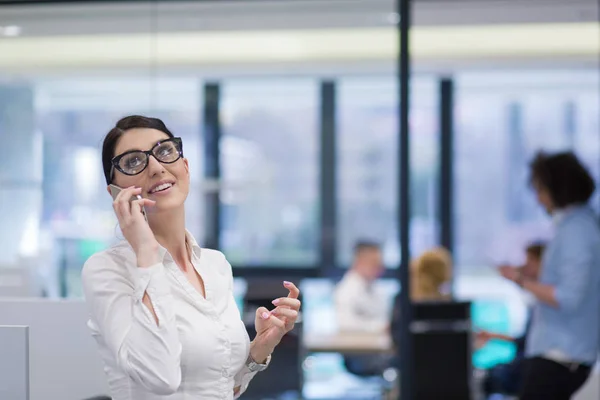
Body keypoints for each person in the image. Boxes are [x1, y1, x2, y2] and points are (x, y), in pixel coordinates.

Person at [81, 116, 301, 400]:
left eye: (164, 151)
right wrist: (146, 252)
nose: (157, 167)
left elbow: (220, 388)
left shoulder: (215, 265)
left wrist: (260, 348)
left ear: (184, 167)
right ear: (115, 193)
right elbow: (161, 378)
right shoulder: (107, 270)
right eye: (134, 162)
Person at [501, 151, 600, 400]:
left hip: (561, 355)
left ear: (558, 189)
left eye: (540, 190)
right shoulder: (576, 227)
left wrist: (522, 280)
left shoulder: (577, 232)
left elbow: (568, 297)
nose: (538, 199)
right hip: (561, 352)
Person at [477, 242, 545, 398]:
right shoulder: (537, 298)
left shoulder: (546, 300)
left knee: (491, 379)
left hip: (530, 367)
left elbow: (526, 342)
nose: (524, 267)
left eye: (529, 261)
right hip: (525, 363)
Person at [334, 240, 388, 376]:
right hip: (361, 357)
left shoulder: (374, 288)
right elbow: (346, 325)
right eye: (375, 264)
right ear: (360, 261)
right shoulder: (346, 290)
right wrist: (380, 327)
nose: (380, 269)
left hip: (379, 351)